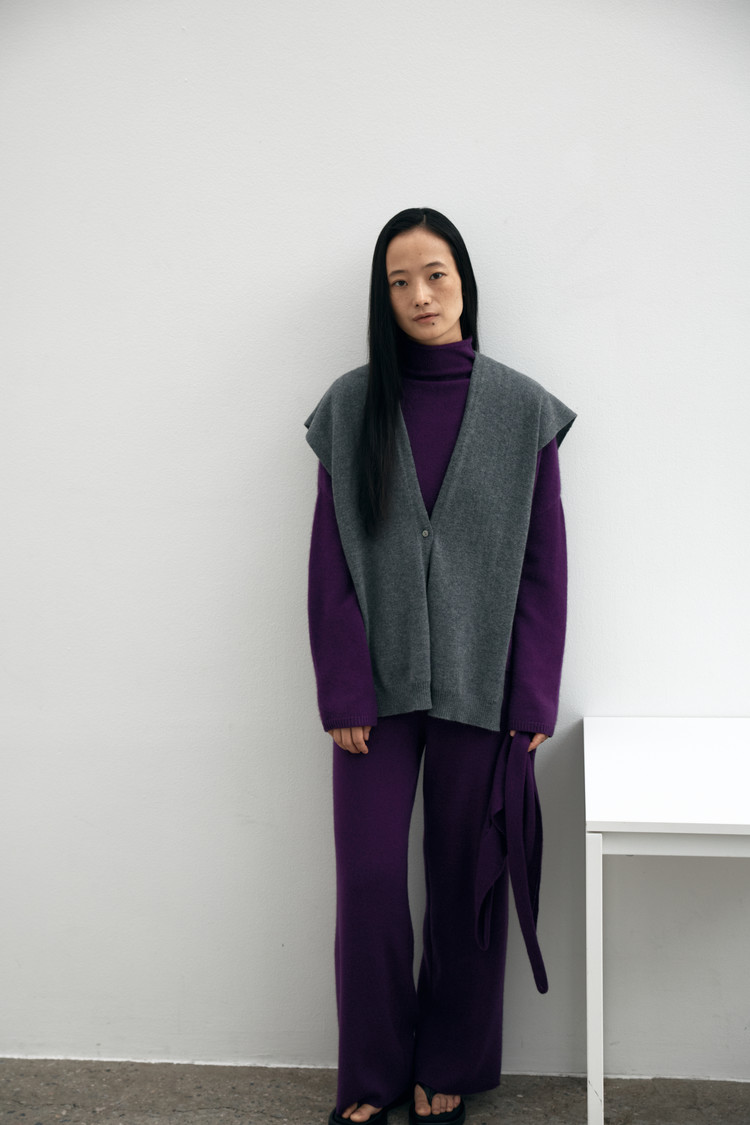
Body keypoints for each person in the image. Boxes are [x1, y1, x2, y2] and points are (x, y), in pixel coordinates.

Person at [304, 208, 576, 1125]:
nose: (420, 295)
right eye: (399, 281)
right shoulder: (350, 408)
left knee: (467, 880)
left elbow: (544, 566)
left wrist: (531, 696)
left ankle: (448, 1059)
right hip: (372, 696)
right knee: (371, 884)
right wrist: (343, 686)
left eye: (435, 275)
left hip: (484, 687)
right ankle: (373, 1073)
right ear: (382, 298)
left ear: (463, 281)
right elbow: (330, 562)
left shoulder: (523, 410)